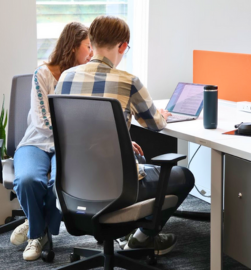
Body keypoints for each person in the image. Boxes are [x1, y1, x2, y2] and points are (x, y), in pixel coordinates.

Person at [55, 15, 195, 256]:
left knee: (138, 160)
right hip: (119, 188)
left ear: (92, 40)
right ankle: (142, 238)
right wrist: (161, 114)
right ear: (121, 46)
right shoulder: (128, 81)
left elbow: (78, 129)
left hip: (73, 185)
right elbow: (155, 124)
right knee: (184, 176)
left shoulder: (66, 77)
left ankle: (130, 235)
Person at [11, 22, 93, 261]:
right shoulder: (43, 74)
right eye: (87, 46)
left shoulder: (83, 76)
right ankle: (38, 231)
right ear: (72, 45)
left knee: (61, 183)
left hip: (67, 146)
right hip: (35, 142)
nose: (91, 53)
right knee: (27, 180)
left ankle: (35, 229)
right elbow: (42, 121)